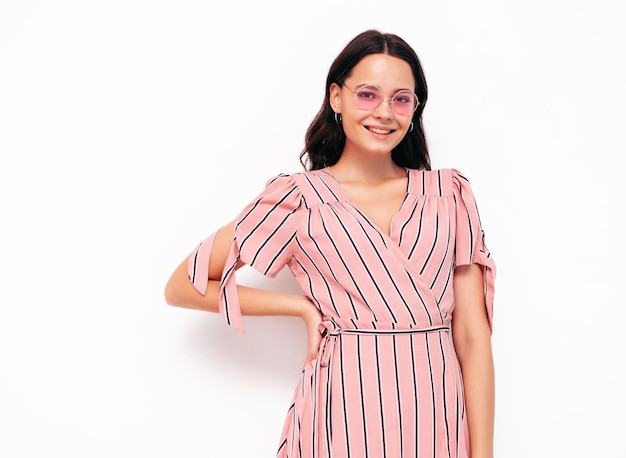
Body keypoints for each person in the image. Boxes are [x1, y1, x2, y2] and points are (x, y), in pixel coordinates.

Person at [165, 29, 496, 458]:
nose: (384, 112)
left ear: (414, 109)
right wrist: (298, 307)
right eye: (367, 95)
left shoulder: (449, 195)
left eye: (401, 99)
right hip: (340, 415)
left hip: (436, 417)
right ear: (336, 97)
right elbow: (182, 285)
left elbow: (472, 335)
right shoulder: (299, 199)